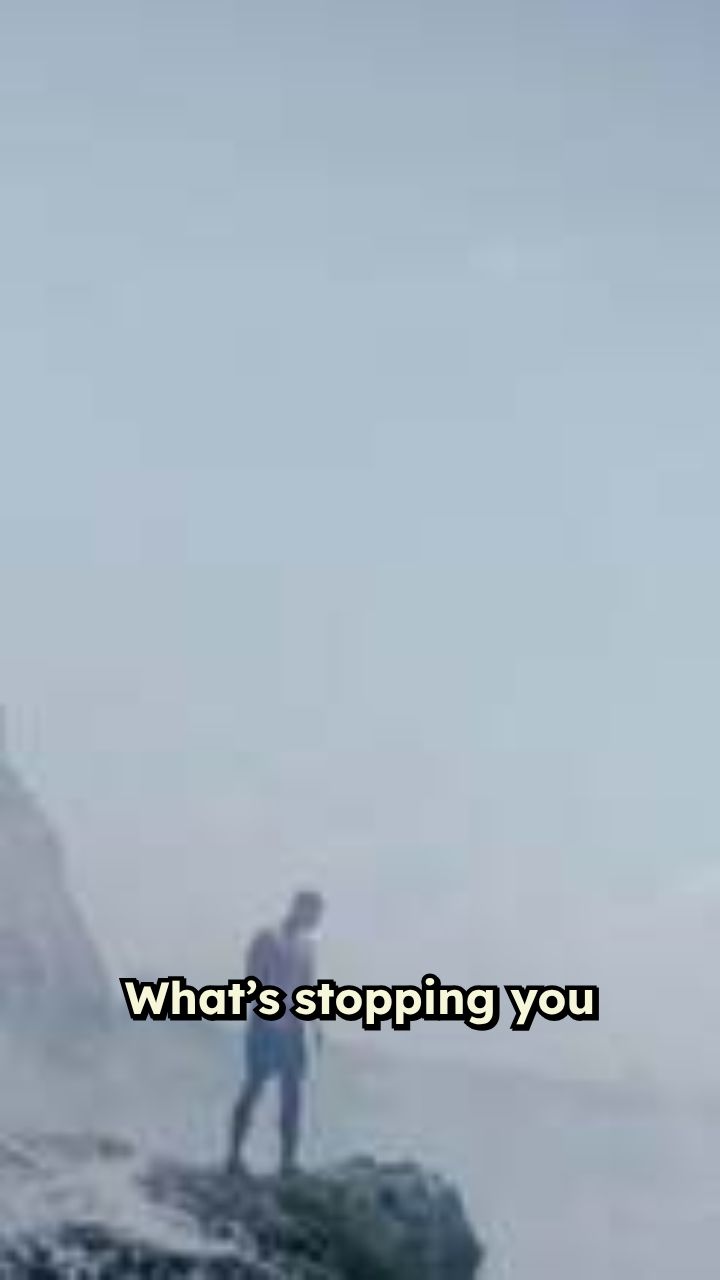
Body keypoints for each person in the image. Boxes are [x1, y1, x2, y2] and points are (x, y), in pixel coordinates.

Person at [226, 889, 325, 1176]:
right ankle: (234, 1155)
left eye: (318, 915)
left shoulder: (307, 946)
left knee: (292, 1095)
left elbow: (309, 985)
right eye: (313, 913)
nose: (316, 921)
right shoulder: (268, 937)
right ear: (299, 908)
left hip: (292, 1029)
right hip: (265, 1025)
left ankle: (287, 1161)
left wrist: (316, 1024)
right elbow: (251, 977)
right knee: (254, 1087)